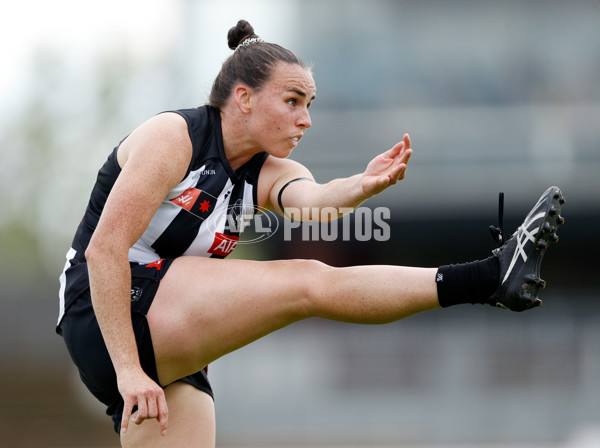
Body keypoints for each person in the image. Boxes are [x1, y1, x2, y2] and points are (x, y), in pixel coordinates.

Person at [57, 19, 565, 447]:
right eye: (294, 101)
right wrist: (128, 371)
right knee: (307, 281)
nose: (306, 119)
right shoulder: (175, 138)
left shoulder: (268, 170)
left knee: (311, 280)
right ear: (244, 98)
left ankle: (490, 279)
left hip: (163, 338)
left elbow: (316, 203)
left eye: (310, 103)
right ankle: (488, 278)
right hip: (106, 317)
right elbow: (104, 250)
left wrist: (361, 186)